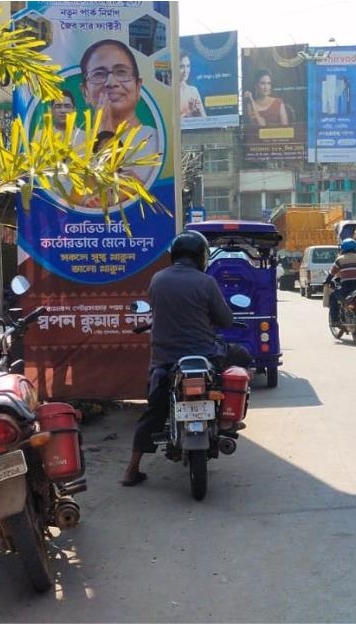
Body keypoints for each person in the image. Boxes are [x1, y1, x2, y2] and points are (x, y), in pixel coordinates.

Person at [122, 231, 251, 487]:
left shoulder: (157, 280)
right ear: (201, 256)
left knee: (154, 410)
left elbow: (162, 310)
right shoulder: (206, 282)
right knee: (243, 356)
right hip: (205, 355)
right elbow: (224, 319)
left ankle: (130, 470)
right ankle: (227, 419)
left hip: (166, 360)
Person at [77, 39, 161, 201]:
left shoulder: (153, 142)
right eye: (99, 74)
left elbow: (147, 200)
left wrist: (106, 134)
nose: (111, 83)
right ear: (85, 91)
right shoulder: (74, 144)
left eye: (121, 72)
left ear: (138, 87)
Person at [325, 238, 356, 327]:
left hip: (346, 288)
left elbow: (332, 273)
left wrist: (327, 281)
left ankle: (335, 320)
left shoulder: (340, 259)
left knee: (333, 297)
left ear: (343, 248)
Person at [179, 52, 206, 118]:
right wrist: (189, 112)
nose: (185, 71)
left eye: (188, 66)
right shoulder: (169, 91)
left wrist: (199, 112)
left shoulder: (193, 90)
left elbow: (205, 119)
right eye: (181, 66)